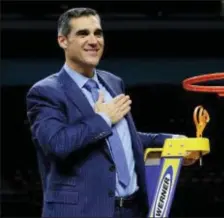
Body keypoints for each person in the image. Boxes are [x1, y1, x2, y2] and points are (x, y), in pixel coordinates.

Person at [26, 7, 197, 218]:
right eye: (83, 34)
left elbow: (124, 139)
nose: (93, 40)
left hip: (133, 208)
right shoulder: (46, 92)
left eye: (98, 33)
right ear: (63, 41)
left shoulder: (113, 82)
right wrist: (103, 119)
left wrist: (173, 142)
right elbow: (57, 144)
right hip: (82, 211)